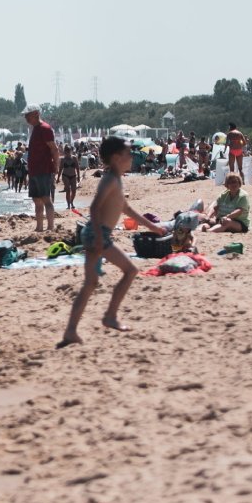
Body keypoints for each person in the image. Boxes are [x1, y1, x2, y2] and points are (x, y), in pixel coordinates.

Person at [59, 136, 164, 347]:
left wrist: (153, 227)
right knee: (130, 270)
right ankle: (110, 316)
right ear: (116, 158)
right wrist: (99, 237)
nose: (132, 157)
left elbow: (126, 209)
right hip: (97, 234)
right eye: (128, 154)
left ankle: (71, 331)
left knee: (90, 284)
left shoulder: (116, 179)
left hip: (95, 233)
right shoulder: (110, 180)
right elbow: (94, 207)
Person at [24, 104, 60, 232]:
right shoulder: (35, 129)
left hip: (43, 169)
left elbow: (54, 149)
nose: (26, 118)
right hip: (34, 170)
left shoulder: (45, 128)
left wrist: (56, 166)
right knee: (36, 200)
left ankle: (50, 227)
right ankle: (39, 227)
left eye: (28, 115)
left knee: (46, 199)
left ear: (36, 114)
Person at [58, 144, 81, 210]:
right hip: (65, 176)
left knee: (74, 191)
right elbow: (60, 169)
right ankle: (68, 205)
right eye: (66, 151)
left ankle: (71, 201)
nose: (67, 153)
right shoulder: (63, 159)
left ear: (71, 151)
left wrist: (78, 177)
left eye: (69, 151)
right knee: (68, 190)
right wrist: (58, 178)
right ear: (64, 152)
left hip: (73, 176)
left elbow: (77, 168)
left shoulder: (74, 158)